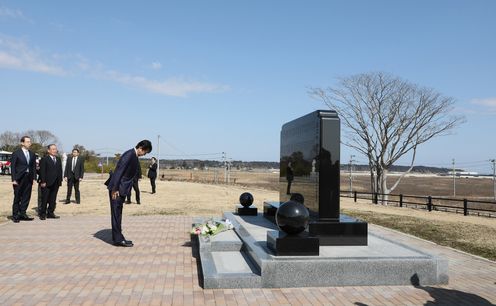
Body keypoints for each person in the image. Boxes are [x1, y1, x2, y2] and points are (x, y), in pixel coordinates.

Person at [106, 140, 152, 247]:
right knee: (116, 214)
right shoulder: (129, 155)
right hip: (117, 189)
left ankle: (118, 237)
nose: (144, 155)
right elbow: (118, 172)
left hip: (121, 188)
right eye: (145, 152)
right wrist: (115, 189)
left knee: (118, 213)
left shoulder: (134, 156)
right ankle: (118, 240)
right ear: (141, 148)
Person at [10, 136, 36, 223]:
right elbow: (12, 167)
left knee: (26, 197)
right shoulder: (16, 153)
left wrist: (34, 178)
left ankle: (23, 213)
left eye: (30, 141)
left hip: (28, 178)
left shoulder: (32, 154)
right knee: (17, 197)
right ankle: (15, 215)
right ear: (22, 143)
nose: (30, 143)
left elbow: (33, 167)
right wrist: (14, 179)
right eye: (28, 141)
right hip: (18, 178)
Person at [39, 144, 63, 220]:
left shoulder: (58, 159)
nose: (54, 150)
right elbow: (42, 171)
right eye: (52, 149)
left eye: (55, 149)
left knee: (53, 199)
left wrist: (60, 181)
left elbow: (60, 170)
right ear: (48, 150)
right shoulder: (44, 159)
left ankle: (50, 213)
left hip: (56, 182)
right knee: (45, 199)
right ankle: (43, 214)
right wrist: (43, 181)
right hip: (46, 182)